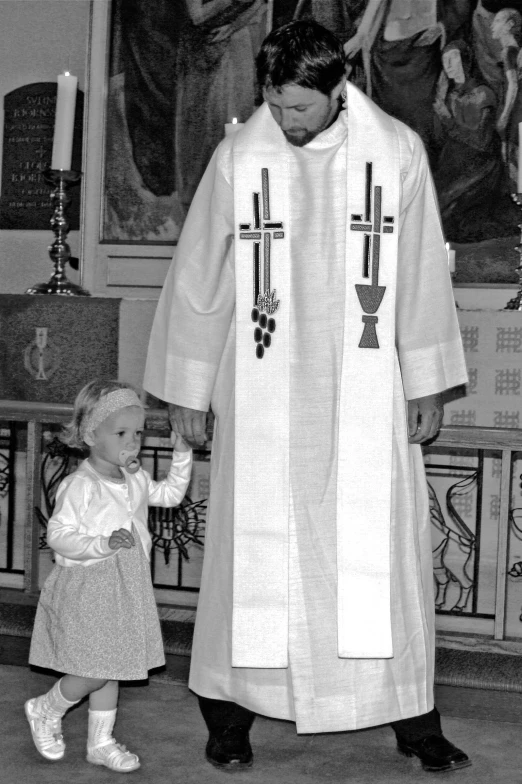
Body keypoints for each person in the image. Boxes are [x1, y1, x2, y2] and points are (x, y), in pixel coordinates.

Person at [144, 20, 471, 775]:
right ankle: (229, 717)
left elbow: (421, 272)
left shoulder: (396, 154)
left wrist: (426, 382)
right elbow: (200, 280)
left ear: (337, 90)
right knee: (253, 558)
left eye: (298, 108)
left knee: (378, 557)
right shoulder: (241, 156)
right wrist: (189, 392)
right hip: (262, 395)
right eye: (273, 102)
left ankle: (414, 721)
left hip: (366, 388)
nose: (282, 120)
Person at [25, 379, 192, 772]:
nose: (132, 442)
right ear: (89, 434)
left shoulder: (132, 477)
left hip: (126, 584)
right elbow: (58, 535)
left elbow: (168, 495)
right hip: (88, 585)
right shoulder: (79, 485)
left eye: (137, 433)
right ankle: (46, 708)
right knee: (90, 670)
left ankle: (100, 742)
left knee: (112, 665)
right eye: (121, 433)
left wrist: (181, 453)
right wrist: (101, 543)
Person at [432, 39, 503, 241]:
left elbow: (481, 142)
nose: (449, 66)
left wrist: (447, 120)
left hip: (481, 166)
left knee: (447, 212)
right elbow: (443, 138)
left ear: (466, 60)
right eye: (445, 61)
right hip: (455, 162)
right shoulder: (452, 95)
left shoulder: (483, 94)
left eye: (453, 59)